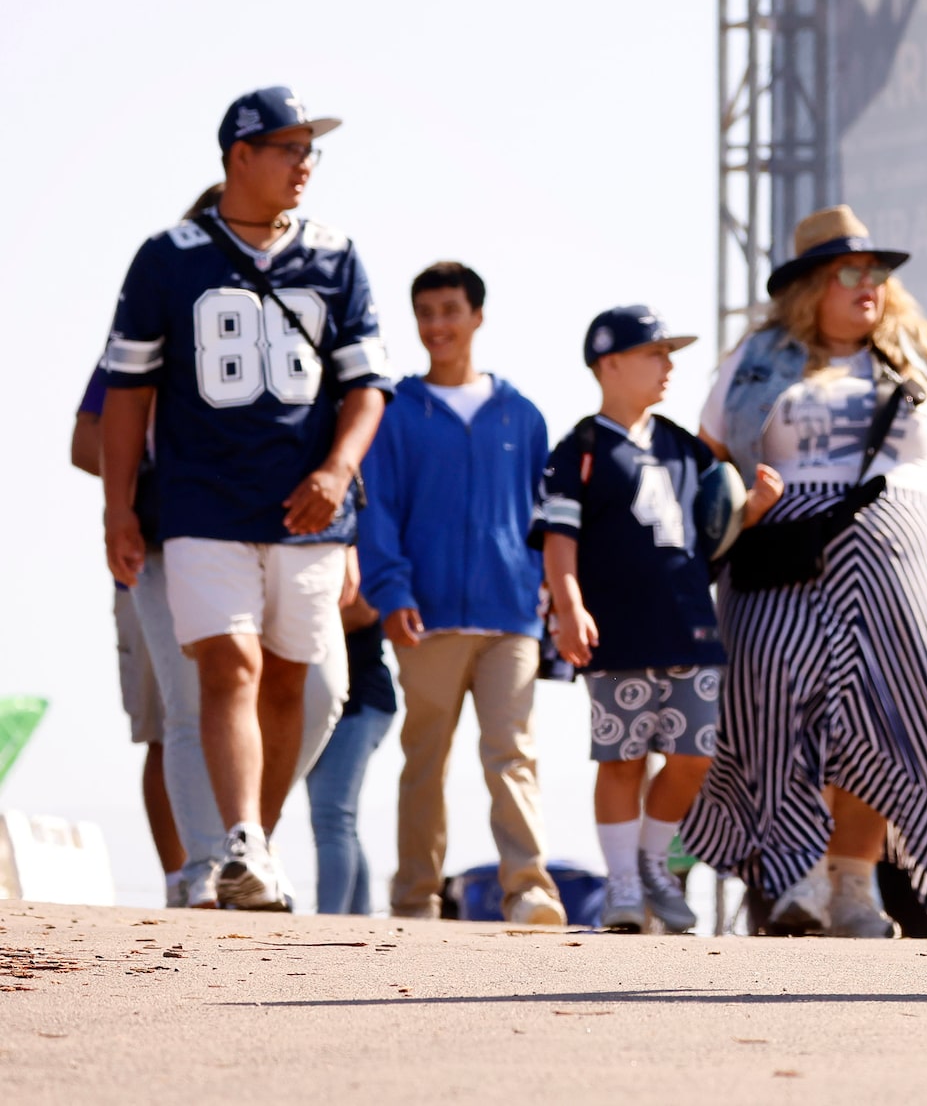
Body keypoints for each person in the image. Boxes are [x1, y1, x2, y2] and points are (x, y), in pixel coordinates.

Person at [98, 89, 391, 912]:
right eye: (290, 148)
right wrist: (119, 507)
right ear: (240, 156)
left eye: (310, 150)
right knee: (230, 666)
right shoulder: (170, 255)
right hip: (200, 505)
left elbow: (367, 388)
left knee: (292, 681)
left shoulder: (336, 255)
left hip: (307, 512)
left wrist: (337, 470)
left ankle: (251, 849)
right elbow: (124, 392)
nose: (305, 165)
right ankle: (242, 844)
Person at [683, 206, 927, 939]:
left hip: (902, 549)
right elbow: (705, 452)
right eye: (849, 273)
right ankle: (797, 876)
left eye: (877, 273)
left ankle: (855, 885)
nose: (869, 286)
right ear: (810, 288)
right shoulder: (758, 359)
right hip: (785, 551)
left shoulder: (919, 348)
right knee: (777, 695)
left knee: (894, 710)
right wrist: (741, 504)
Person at [537, 306, 779, 935]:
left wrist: (751, 509)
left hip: (691, 629)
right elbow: (558, 538)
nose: (668, 366)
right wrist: (569, 606)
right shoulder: (580, 449)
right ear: (609, 363)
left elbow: (714, 528)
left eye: (670, 354)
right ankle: (621, 883)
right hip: (616, 631)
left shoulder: (682, 444)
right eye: (654, 353)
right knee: (620, 758)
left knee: (693, 755)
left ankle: (651, 864)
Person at [357, 261, 560, 925]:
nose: (437, 326)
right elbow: (378, 510)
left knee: (513, 754)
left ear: (478, 315)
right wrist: (390, 592)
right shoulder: (396, 414)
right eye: (426, 313)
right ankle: (415, 899)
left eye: (450, 311)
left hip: (512, 618)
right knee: (426, 764)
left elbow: (545, 516)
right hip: (427, 617)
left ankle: (530, 891)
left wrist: (549, 593)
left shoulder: (523, 416)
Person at [71, 360, 182, 894]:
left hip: (234, 561)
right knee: (165, 733)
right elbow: (81, 441)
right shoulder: (131, 345)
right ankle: (182, 882)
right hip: (143, 569)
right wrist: (163, 473)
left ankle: (241, 862)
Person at [304, 583, 396, 914]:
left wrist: (296, 614)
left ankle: (329, 920)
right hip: (316, 710)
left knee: (332, 816)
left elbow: (365, 611)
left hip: (361, 703)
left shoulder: (358, 541)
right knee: (338, 821)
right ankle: (358, 919)